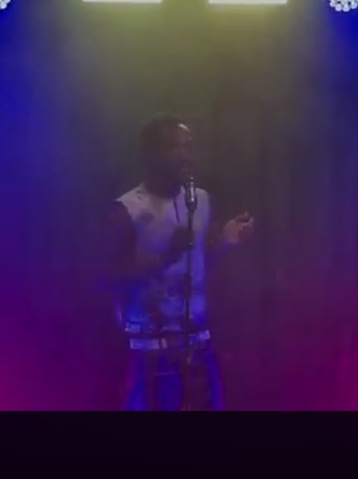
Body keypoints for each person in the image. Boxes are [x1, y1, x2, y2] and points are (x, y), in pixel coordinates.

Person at [107, 116, 255, 411]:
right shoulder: (127, 209)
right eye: (175, 148)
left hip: (198, 343)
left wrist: (225, 241)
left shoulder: (201, 201)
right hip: (149, 348)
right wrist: (164, 257)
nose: (186, 156)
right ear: (151, 155)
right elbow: (108, 277)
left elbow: (197, 264)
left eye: (189, 147)